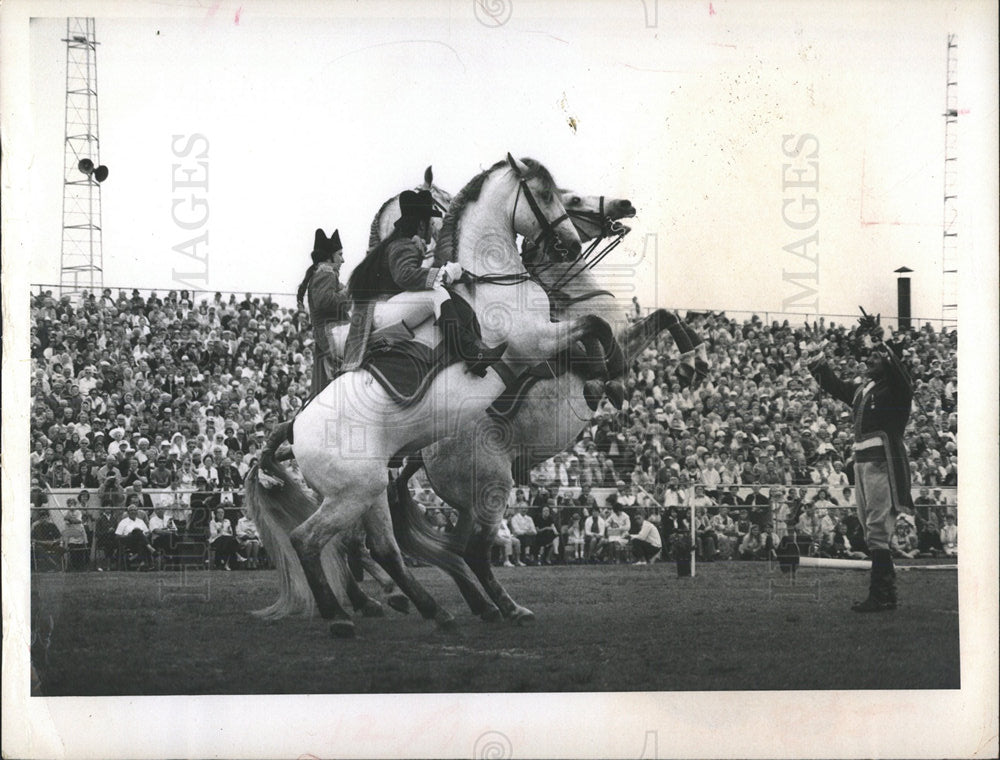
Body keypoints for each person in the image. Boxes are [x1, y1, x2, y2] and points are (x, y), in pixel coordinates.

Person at [805, 311, 913, 612]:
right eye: (870, 356)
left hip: (882, 463)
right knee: (870, 529)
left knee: (877, 528)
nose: (869, 360)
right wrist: (817, 356)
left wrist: (884, 342)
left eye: (876, 357)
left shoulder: (896, 391)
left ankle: (880, 595)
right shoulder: (864, 390)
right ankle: (886, 593)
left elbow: (900, 374)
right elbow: (835, 385)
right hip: (863, 464)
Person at [344, 188, 506, 376]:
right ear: (421, 225)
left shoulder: (401, 244)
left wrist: (458, 275)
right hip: (379, 311)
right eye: (430, 223)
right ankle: (469, 354)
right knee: (436, 295)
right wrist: (445, 273)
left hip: (385, 309)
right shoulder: (403, 245)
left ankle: (471, 349)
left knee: (442, 294)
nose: (432, 228)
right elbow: (405, 276)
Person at [298, 228, 351, 396]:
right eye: (340, 255)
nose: (343, 260)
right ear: (330, 257)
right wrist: (348, 293)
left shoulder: (325, 274)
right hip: (332, 333)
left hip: (329, 333)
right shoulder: (326, 273)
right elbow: (325, 302)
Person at [114, 503, 156, 570]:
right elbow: (117, 536)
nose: (133, 512)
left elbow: (147, 532)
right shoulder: (123, 522)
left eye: (135, 510)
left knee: (139, 535)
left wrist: (143, 535)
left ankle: (142, 564)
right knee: (137, 532)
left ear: (137, 512)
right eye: (131, 510)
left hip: (140, 541)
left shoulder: (141, 521)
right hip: (128, 541)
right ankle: (150, 549)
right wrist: (127, 535)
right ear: (128, 512)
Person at [604, 497, 631, 563]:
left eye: (619, 511)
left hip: (623, 533)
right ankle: (611, 559)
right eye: (617, 512)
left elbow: (628, 527)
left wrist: (619, 527)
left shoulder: (626, 516)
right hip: (615, 533)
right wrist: (611, 525)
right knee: (611, 543)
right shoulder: (613, 515)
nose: (618, 513)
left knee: (616, 543)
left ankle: (617, 559)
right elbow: (605, 523)